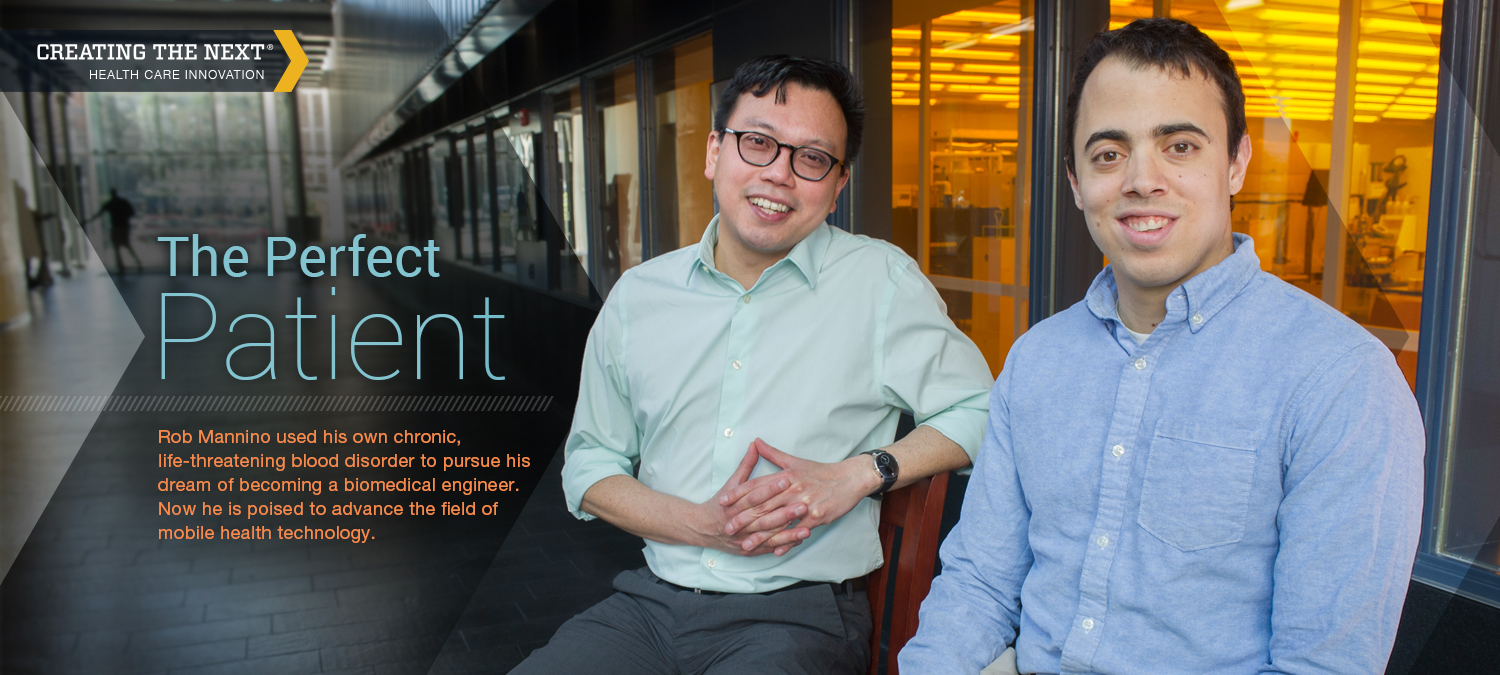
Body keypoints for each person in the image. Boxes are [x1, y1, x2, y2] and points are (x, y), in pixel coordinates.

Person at [901, 18, 1424, 675]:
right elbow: (977, 583)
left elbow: (1322, 665)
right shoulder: (1036, 360)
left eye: (1179, 146)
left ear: (1235, 163)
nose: (1141, 180)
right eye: (1108, 153)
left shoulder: (1342, 379)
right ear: (1074, 181)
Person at [513, 55, 992, 675]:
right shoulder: (639, 297)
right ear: (715, 151)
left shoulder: (880, 282)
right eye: (758, 143)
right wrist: (698, 526)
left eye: (812, 158)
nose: (779, 175)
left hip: (796, 619)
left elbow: (984, 409)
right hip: (651, 607)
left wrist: (859, 473)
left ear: (838, 184)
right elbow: (589, 466)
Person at [93, 189, 141, 275]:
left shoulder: (110, 204)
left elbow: (99, 214)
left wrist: (88, 220)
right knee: (127, 245)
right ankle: (138, 263)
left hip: (116, 227)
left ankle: (121, 266)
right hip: (124, 226)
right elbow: (132, 213)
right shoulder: (123, 202)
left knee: (117, 248)